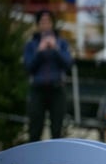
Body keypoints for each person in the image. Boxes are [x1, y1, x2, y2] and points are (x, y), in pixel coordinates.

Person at [23, 9, 74, 142]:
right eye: (42, 21)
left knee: (57, 129)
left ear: (52, 23)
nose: (45, 24)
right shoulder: (31, 44)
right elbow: (29, 67)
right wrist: (39, 51)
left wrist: (56, 49)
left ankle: (57, 160)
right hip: (38, 89)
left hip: (57, 89)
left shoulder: (61, 43)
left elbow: (68, 64)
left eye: (48, 21)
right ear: (38, 24)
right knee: (35, 128)